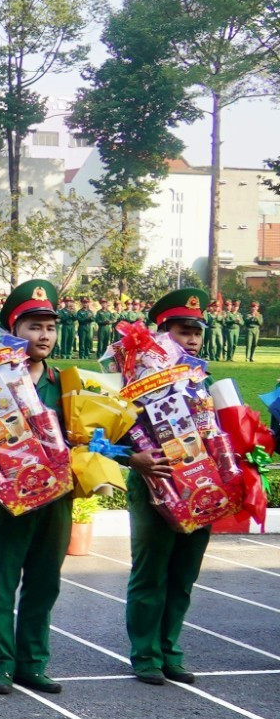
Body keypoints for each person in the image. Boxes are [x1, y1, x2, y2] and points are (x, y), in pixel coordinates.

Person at [0, 279, 70, 695]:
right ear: (12, 331)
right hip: (7, 497)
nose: (43, 335)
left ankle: (33, 663)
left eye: (50, 327)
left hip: (57, 499)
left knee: (45, 582)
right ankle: (1, 665)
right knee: (3, 581)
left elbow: (86, 436)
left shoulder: (67, 383)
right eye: (33, 326)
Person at [123, 290, 212, 686]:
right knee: (151, 570)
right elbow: (112, 429)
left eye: (196, 332)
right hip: (154, 481)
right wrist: (133, 459)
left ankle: (170, 649)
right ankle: (145, 654)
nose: (191, 339)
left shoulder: (202, 380)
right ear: (162, 334)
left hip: (201, 483)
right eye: (182, 331)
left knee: (183, 572)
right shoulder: (137, 379)